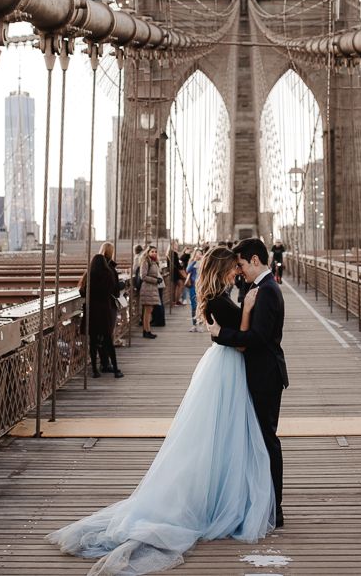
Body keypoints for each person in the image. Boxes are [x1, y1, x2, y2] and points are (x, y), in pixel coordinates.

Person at [47, 246, 275, 575]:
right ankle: (217, 497)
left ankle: (215, 490)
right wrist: (249, 307)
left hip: (218, 368)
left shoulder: (215, 296)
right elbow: (239, 340)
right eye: (233, 268)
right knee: (224, 432)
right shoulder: (222, 301)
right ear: (223, 268)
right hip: (227, 368)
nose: (237, 272)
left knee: (215, 434)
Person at [206, 237, 288, 528]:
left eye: (241, 264)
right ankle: (259, 502)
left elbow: (257, 339)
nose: (239, 271)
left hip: (265, 376)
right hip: (255, 373)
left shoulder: (266, 290)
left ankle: (274, 509)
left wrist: (220, 335)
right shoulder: (258, 288)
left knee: (266, 441)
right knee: (255, 441)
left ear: (255, 260)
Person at [80, 242, 125, 378]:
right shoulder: (109, 274)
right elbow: (116, 292)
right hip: (105, 311)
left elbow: (82, 292)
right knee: (108, 341)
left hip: (92, 312)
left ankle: (94, 370)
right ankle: (116, 369)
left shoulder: (88, 275)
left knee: (93, 341)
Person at [139, 246, 160, 339]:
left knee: (149, 311)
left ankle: (147, 330)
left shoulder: (154, 262)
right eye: (152, 251)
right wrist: (155, 280)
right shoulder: (145, 261)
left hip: (152, 289)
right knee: (147, 311)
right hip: (147, 288)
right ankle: (146, 331)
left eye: (155, 251)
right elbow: (143, 276)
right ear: (148, 252)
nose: (154, 253)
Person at [186, 249, 203, 332]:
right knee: (193, 306)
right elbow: (187, 270)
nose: (198, 255)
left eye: (200, 253)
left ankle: (200, 324)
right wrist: (194, 262)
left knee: (200, 306)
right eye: (197, 253)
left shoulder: (204, 263)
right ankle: (194, 325)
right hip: (193, 286)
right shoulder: (192, 262)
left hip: (202, 287)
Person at [169, 241, 186, 305]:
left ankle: (175, 301)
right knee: (180, 285)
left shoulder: (169, 253)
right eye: (176, 245)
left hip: (172, 271)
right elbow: (177, 265)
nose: (177, 246)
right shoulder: (173, 253)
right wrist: (182, 267)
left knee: (175, 286)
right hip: (175, 272)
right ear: (172, 245)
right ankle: (176, 301)